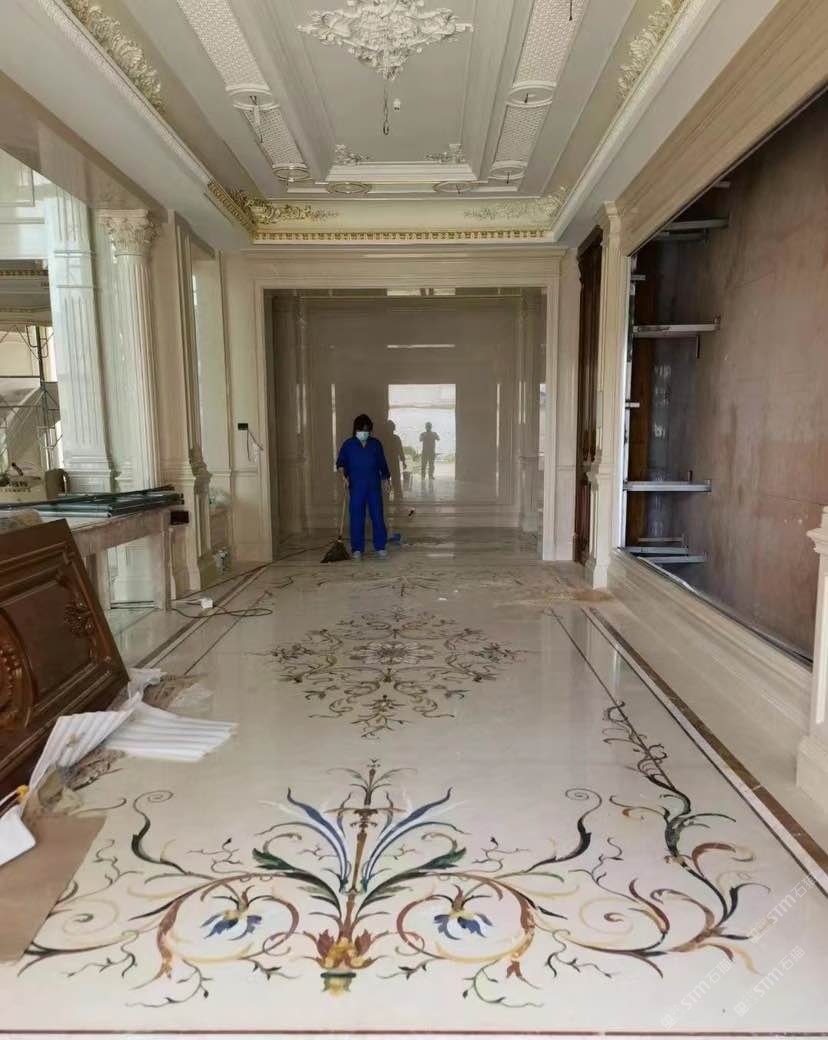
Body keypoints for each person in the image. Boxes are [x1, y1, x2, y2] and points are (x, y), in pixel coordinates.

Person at [336, 414, 391, 560]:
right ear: (356, 430)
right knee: (356, 517)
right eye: (362, 430)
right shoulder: (348, 445)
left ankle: (380, 546)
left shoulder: (375, 444)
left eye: (367, 430)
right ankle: (357, 549)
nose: (364, 433)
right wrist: (343, 477)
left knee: (377, 516)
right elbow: (341, 463)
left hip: (373, 486)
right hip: (356, 486)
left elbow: (382, 464)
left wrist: (386, 480)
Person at [381, 418, 407, 503]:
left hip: (387, 461)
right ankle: (397, 496)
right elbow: (400, 450)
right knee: (395, 479)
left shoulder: (383, 439)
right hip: (392, 461)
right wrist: (403, 461)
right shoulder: (396, 438)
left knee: (389, 479)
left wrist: (403, 461)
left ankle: (387, 497)